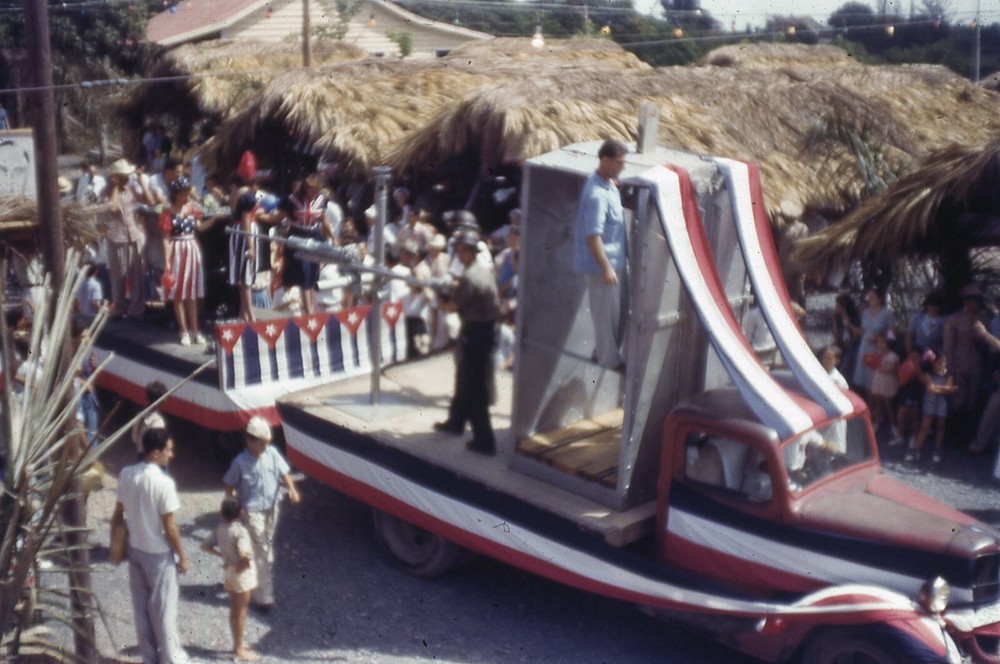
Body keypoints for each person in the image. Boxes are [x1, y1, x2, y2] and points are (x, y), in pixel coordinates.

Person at [110, 428, 190, 664]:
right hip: (158, 554)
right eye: (168, 450)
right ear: (155, 452)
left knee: (142, 610)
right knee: (164, 612)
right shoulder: (164, 483)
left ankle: (150, 659)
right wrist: (183, 556)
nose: (171, 455)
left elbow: (118, 512)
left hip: (135, 548)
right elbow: (170, 527)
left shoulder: (126, 474)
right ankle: (171, 659)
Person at [434, 227, 502, 455]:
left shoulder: (470, 277)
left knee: (474, 388)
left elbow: (451, 307)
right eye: (458, 249)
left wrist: (440, 298)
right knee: (464, 379)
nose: (459, 253)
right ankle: (456, 422)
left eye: (463, 250)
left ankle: (485, 441)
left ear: (472, 251)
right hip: (484, 330)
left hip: (475, 332)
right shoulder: (482, 270)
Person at [223, 416, 301, 609]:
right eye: (262, 443)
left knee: (266, 545)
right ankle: (264, 597)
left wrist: (292, 489)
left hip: (272, 506)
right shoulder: (240, 463)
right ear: (250, 441)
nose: (265, 446)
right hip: (252, 511)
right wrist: (231, 506)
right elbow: (229, 484)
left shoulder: (272, 453)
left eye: (267, 442)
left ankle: (249, 574)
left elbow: (284, 473)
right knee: (262, 549)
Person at [573, 139, 627, 370]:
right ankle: (609, 360)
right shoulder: (596, 194)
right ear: (605, 160)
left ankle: (601, 352)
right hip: (602, 266)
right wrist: (606, 267)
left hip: (614, 262)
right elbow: (592, 236)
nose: (622, 167)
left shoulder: (607, 183)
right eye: (618, 163)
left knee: (614, 312)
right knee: (604, 315)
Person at [201, 496, 259, 662]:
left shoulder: (219, 529)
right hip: (241, 575)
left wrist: (222, 556)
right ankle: (238, 649)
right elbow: (243, 555)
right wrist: (242, 567)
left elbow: (205, 546)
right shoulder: (240, 532)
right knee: (241, 611)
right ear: (241, 512)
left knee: (234, 610)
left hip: (228, 571)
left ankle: (237, 643)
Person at [159, 177, 216, 345]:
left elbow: (200, 227)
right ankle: (184, 331)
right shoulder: (168, 212)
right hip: (177, 249)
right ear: (176, 194)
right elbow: (165, 238)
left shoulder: (192, 209)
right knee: (178, 293)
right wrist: (167, 261)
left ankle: (196, 330)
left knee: (192, 293)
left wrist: (214, 218)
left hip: (191, 248)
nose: (188, 195)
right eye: (185, 192)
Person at [101, 158, 153, 319]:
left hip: (134, 235)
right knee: (118, 276)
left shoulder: (131, 189)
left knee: (137, 274)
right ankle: (118, 307)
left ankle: (136, 309)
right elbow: (112, 208)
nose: (127, 178)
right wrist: (115, 188)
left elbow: (150, 201)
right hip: (117, 237)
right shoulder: (106, 192)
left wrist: (142, 183)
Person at [278, 175, 337, 314]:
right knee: (302, 273)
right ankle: (308, 311)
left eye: (316, 189)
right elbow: (278, 217)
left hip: (314, 237)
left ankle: (311, 308)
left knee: (311, 273)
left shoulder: (321, 200)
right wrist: (261, 215)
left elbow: (324, 220)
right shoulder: (291, 200)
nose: (314, 192)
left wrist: (333, 237)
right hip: (298, 237)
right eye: (311, 189)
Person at [906, 350, 957, 464]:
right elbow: (933, 388)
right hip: (930, 400)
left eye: (944, 362)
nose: (943, 364)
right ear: (934, 363)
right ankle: (916, 450)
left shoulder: (948, 374)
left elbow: (940, 388)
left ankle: (937, 450)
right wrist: (945, 388)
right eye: (940, 362)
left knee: (940, 425)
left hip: (942, 401)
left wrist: (937, 388)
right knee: (925, 425)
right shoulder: (929, 373)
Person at [849, 289, 893, 395]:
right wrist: (849, 325)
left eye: (872, 296)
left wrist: (879, 337)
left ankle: (875, 398)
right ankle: (864, 396)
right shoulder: (866, 312)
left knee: (875, 374)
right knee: (863, 371)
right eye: (869, 297)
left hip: (879, 345)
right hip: (865, 344)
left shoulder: (887, 312)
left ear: (879, 299)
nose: (869, 299)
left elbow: (892, 331)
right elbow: (862, 330)